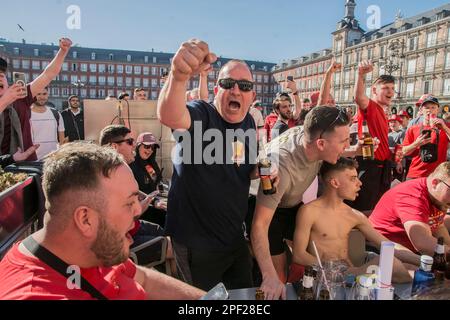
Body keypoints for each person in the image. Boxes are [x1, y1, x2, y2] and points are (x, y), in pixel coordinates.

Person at [0, 143, 204, 300]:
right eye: (129, 203)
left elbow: (144, 279)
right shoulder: (34, 293)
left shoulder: (97, 246)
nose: (137, 210)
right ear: (85, 219)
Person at [158, 39, 276, 291]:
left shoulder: (246, 124)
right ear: (216, 90)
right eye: (227, 84)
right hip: (196, 244)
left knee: (243, 298)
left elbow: (241, 166)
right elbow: (170, 114)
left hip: (233, 240)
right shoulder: (202, 114)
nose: (236, 90)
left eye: (244, 86)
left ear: (252, 96)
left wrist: (261, 170)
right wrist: (178, 76)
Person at [252, 106, 359, 300]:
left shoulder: (312, 133)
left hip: (291, 201)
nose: (347, 145)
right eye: (344, 141)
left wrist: (355, 151)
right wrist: (269, 277)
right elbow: (259, 226)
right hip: (265, 205)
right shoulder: (281, 167)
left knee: (317, 248)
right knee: (278, 275)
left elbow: (318, 116)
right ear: (320, 144)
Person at [293, 158, 419, 284]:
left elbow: (388, 246)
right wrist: (330, 268)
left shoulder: (354, 215)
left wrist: (424, 260)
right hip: (323, 277)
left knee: (401, 266)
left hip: (350, 274)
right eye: (353, 178)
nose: (359, 183)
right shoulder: (309, 211)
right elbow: (299, 255)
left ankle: (419, 290)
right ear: (335, 183)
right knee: (390, 263)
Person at [99, 125, 176, 275]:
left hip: (135, 226)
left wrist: (148, 200)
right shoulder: (111, 176)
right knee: (176, 246)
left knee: (169, 232)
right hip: (124, 238)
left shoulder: (122, 169)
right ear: (114, 146)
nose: (133, 145)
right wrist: (146, 204)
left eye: (152, 147)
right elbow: (126, 215)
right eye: (129, 142)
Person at [0, 38, 72, 161]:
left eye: (2, 75)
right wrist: (5, 101)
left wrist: (62, 51)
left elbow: (47, 75)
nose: (0, 78)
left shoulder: (21, 95)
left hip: (25, 163)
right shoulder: (10, 98)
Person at [369, 162, 450, 257]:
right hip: (382, 249)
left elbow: (438, 227)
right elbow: (422, 243)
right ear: (435, 183)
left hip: (406, 250)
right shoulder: (413, 196)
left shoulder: (438, 197)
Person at [349, 60, 394, 213]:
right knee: (364, 210)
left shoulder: (382, 111)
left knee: (376, 209)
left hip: (381, 168)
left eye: (392, 88)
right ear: (374, 90)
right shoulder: (371, 107)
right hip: (369, 166)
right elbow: (359, 97)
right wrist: (360, 74)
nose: (390, 92)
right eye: (386, 88)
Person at [402, 95, 450, 179]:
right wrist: (416, 143)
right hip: (416, 174)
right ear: (421, 110)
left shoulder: (445, 126)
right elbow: (404, 151)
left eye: (433, 107)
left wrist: (445, 128)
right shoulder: (413, 128)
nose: (430, 110)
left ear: (437, 110)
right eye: (427, 108)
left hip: (437, 176)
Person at [130, 132, 167, 227]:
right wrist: (154, 201)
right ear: (138, 146)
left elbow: (157, 183)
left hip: (155, 201)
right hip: (142, 208)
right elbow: (133, 191)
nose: (150, 150)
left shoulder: (151, 163)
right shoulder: (132, 165)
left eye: (152, 147)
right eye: (146, 146)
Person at [30, 88, 66, 160]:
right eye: (38, 94)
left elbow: (62, 137)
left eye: (44, 94)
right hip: (32, 158)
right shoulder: (26, 113)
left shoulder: (56, 113)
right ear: (33, 95)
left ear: (47, 95)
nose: (42, 97)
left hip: (52, 158)